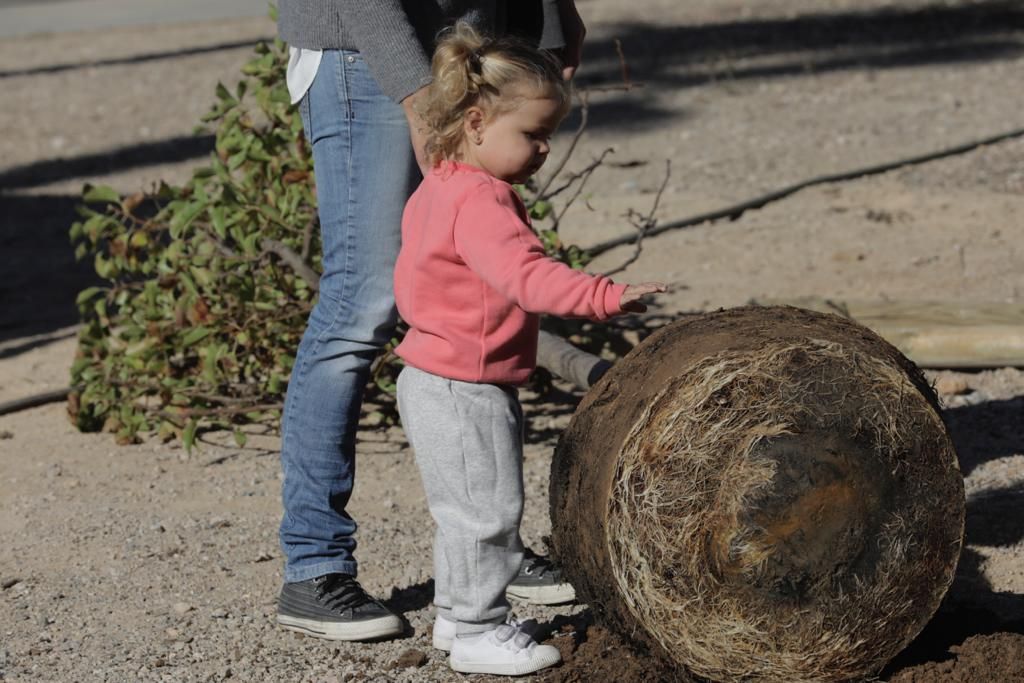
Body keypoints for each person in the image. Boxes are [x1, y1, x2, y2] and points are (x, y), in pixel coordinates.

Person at [274, 0, 589, 643]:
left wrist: (551, 20)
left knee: (468, 284)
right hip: (362, 49)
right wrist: (418, 95)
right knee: (361, 304)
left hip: (473, 34)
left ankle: (485, 557)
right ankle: (315, 564)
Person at [394, 23, 666, 676]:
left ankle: (461, 617)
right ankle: (481, 630)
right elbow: (525, 276)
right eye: (533, 135)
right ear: (479, 120)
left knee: (465, 511)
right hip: (464, 386)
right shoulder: (485, 201)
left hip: (435, 376)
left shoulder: (442, 181)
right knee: (487, 511)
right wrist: (603, 297)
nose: (544, 149)